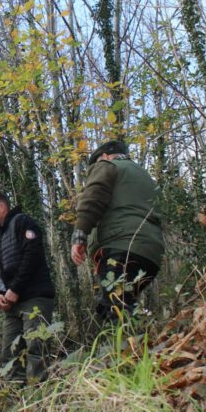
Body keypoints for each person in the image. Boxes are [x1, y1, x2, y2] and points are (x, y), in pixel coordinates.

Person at [70, 140, 164, 326]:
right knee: (119, 303)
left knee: (115, 309)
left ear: (104, 157)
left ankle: (130, 351)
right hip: (152, 253)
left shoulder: (107, 166)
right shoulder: (143, 175)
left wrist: (79, 235)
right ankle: (147, 342)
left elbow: (92, 198)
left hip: (121, 246)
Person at [0, 192, 55, 384]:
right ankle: (16, 401)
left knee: (36, 349)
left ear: (2, 207)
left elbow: (33, 254)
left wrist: (15, 289)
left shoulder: (22, 222)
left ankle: (42, 398)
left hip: (35, 297)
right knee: (9, 355)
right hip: (12, 305)